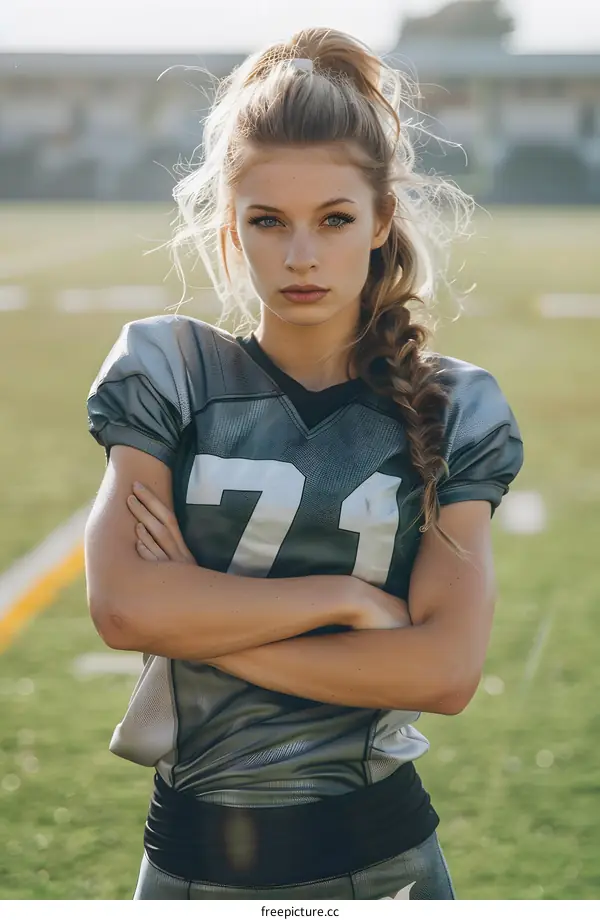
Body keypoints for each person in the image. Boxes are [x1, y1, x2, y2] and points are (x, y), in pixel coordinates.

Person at [84, 28, 524, 900]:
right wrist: (345, 601)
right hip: (188, 863)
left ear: (380, 222)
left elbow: (444, 672)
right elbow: (127, 608)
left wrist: (203, 630)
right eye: (267, 221)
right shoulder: (169, 370)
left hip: (382, 863)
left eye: (333, 219)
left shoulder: (451, 406)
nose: (300, 256)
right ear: (228, 229)